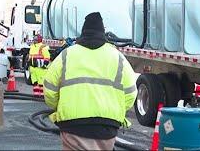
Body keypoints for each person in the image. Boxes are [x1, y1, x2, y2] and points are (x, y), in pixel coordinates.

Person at [43, 12, 138, 150]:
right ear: (103, 33)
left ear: (83, 32)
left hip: (72, 125)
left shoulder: (67, 55)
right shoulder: (118, 58)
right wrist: (115, 110)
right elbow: (130, 93)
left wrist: (60, 107)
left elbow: (50, 90)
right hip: (107, 127)